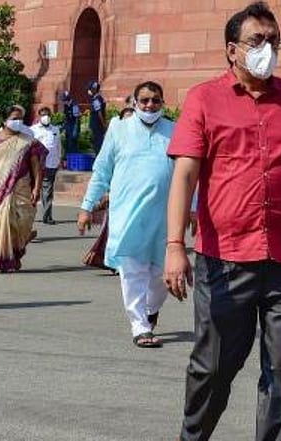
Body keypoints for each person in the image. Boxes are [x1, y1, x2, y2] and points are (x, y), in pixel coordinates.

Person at [163, 2, 281, 439]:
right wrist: (175, 246)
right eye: (257, 40)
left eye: (274, 40)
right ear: (231, 50)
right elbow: (185, 175)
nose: (267, 48)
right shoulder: (204, 99)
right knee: (213, 368)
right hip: (226, 260)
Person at [76, 81, 175, 348]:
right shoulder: (119, 129)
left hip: (164, 217)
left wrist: (193, 206)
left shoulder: (174, 130)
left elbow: (190, 172)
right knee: (133, 272)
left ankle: (150, 311)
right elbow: (102, 170)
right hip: (127, 215)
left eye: (155, 100)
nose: (150, 105)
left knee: (161, 277)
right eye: (144, 100)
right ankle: (140, 327)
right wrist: (87, 207)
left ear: (163, 102)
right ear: (134, 102)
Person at [0, 105, 45, 272]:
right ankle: (4, 260)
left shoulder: (28, 141)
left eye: (20, 119)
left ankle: (20, 244)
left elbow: (36, 167)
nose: (18, 122)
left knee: (24, 222)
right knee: (3, 224)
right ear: (4, 120)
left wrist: (37, 188)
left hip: (22, 188)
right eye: (14, 119)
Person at [30, 107, 62, 225]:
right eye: (43, 114)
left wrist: (59, 159)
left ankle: (47, 216)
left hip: (51, 163)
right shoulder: (33, 130)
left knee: (47, 191)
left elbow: (58, 145)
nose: (46, 117)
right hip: (36, 165)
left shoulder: (55, 129)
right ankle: (28, 214)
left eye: (48, 114)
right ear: (39, 116)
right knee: (33, 190)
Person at [87, 80, 107, 154]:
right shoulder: (99, 98)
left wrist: (103, 124)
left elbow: (99, 113)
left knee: (98, 143)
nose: (89, 91)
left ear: (94, 89)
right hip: (98, 125)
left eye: (90, 89)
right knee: (97, 142)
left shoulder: (96, 99)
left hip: (97, 125)